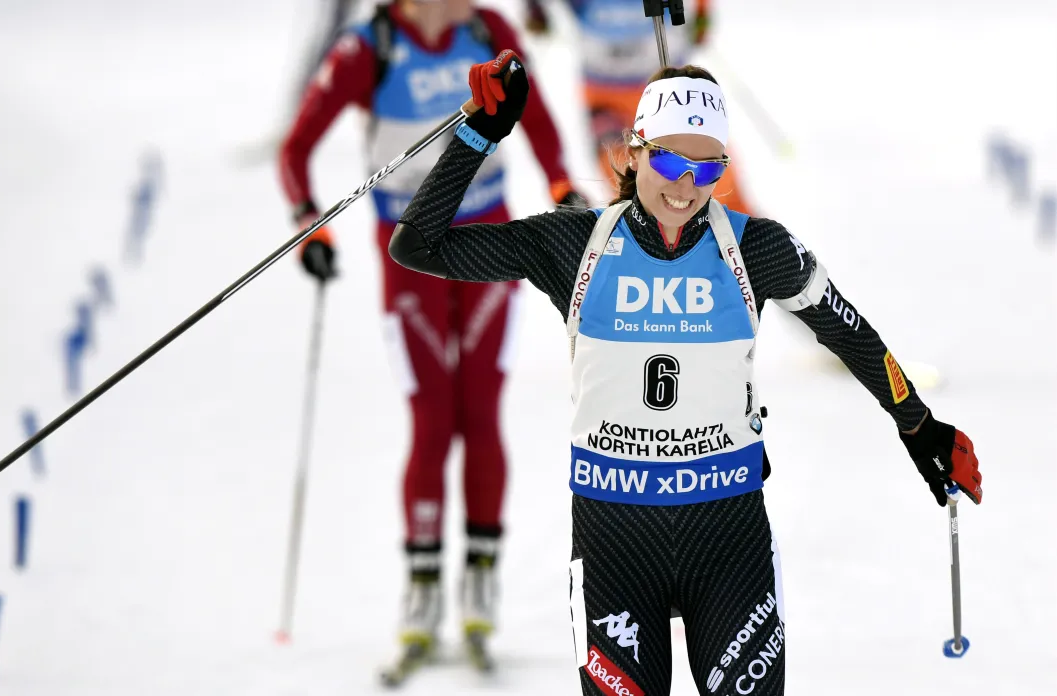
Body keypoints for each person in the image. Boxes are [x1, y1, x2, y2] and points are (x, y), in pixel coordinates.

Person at [388, 51, 984, 695]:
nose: (685, 186)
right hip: (615, 541)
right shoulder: (572, 243)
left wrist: (918, 426)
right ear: (635, 150)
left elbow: (849, 331)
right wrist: (479, 135)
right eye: (670, 160)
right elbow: (418, 246)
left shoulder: (757, 247)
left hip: (727, 538)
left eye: (708, 168)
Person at [278, 0, 584, 662]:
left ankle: (479, 583)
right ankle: (421, 588)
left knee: (479, 412)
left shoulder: (486, 31)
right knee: (431, 418)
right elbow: (296, 149)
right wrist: (310, 225)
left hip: (488, 251)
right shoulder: (369, 49)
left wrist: (561, 181)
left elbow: (538, 118)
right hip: (408, 256)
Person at [525, 0, 755, 214]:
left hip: (666, 84)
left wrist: (702, 13)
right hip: (605, 90)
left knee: (706, 172)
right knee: (627, 180)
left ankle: (747, 241)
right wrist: (535, 9)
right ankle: (649, 247)